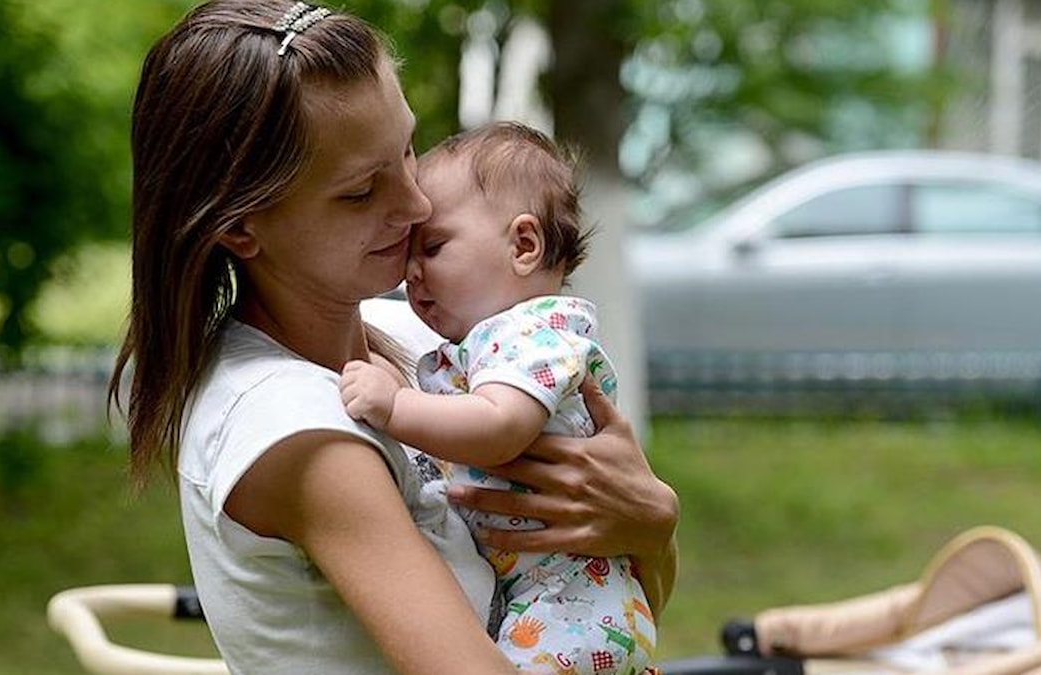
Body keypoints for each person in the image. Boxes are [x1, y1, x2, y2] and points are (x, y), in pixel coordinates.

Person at [109, 2, 679, 673]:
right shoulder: (294, 429)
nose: (416, 203)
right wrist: (648, 524)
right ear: (240, 227)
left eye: (407, 149)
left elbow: (622, 608)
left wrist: (652, 523)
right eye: (360, 191)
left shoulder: (419, 333)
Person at [340, 122, 654, 675]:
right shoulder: (488, 341)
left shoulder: (532, 334)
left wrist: (394, 407)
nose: (411, 274)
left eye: (433, 247)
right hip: (551, 597)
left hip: (568, 608)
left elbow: (498, 427)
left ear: (524, 246)